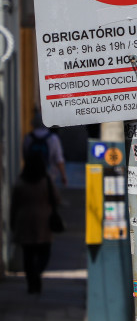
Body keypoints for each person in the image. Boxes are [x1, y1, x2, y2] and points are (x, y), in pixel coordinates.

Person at [10, 150, 59, 294]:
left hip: (24, 221)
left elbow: (14, 205)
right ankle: (37, 273)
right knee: (45, 252)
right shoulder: (46, 181)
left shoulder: (20, 182)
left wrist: (13, 223)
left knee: (28, 254)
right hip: (43, 221)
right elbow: (56, 199)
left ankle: (32, 282)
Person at [23, 111, 67, 186]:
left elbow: (25, 157)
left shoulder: (28, 138)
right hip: (48, 177)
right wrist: (63, 176)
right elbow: (59, 160)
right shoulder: (53, 139)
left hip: (31, 177)